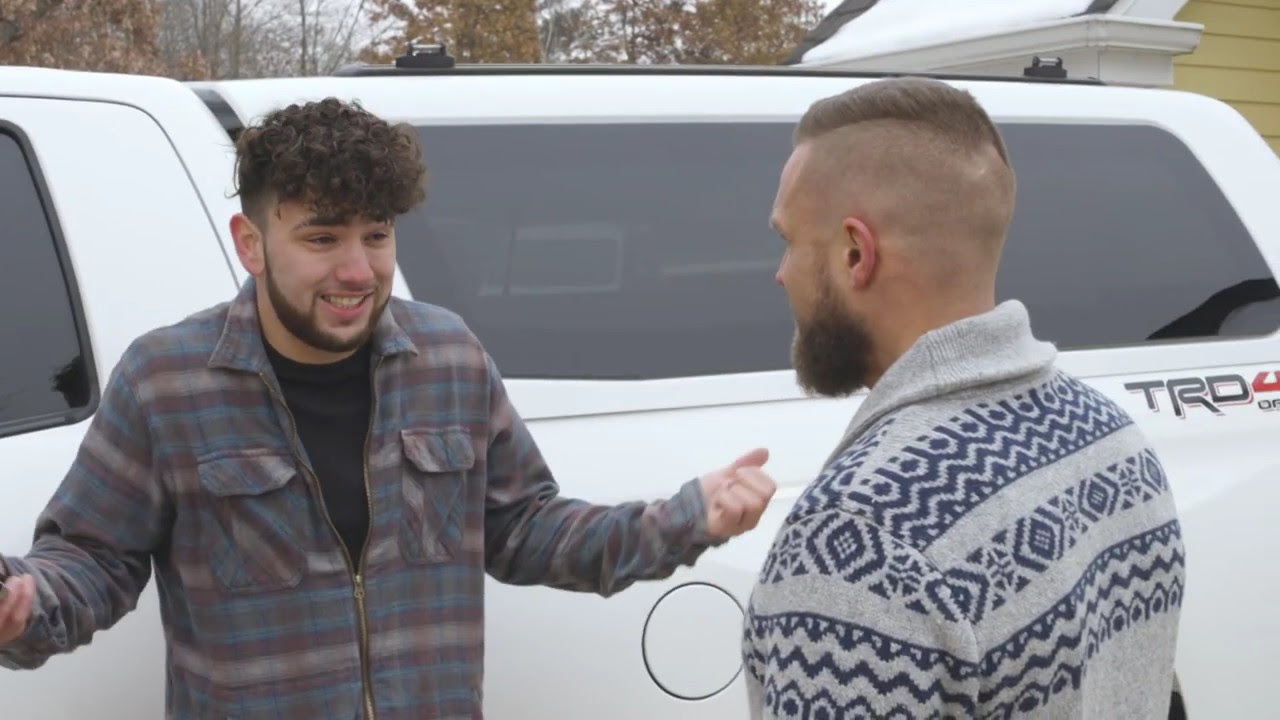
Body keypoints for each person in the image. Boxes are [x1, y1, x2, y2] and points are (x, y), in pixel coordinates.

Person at [0, 98, 777, 719]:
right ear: (250, 241)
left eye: (376, 235)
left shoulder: (449, 357)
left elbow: (525, 527)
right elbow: (94, 560)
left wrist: (684, 518)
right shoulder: (166, 380)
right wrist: (22, 604)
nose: (356, 269)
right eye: (322, 237)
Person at [742, 77, 1185, 718]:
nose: (780, 273)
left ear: (854, 252)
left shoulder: (860, 538)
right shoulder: (1113, 440)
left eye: (788, 240)